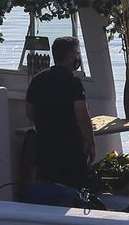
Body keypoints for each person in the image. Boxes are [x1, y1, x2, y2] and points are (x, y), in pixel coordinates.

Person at [25, 35, 94, 188]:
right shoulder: (73, 82)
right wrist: (91, 143)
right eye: (76, 53)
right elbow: (82, 117)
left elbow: (29, 112)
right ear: (70, 57)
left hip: (45, 147)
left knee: (50, 190)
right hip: (70, 149)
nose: (78, 57)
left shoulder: (37, 80)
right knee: (76, 190)